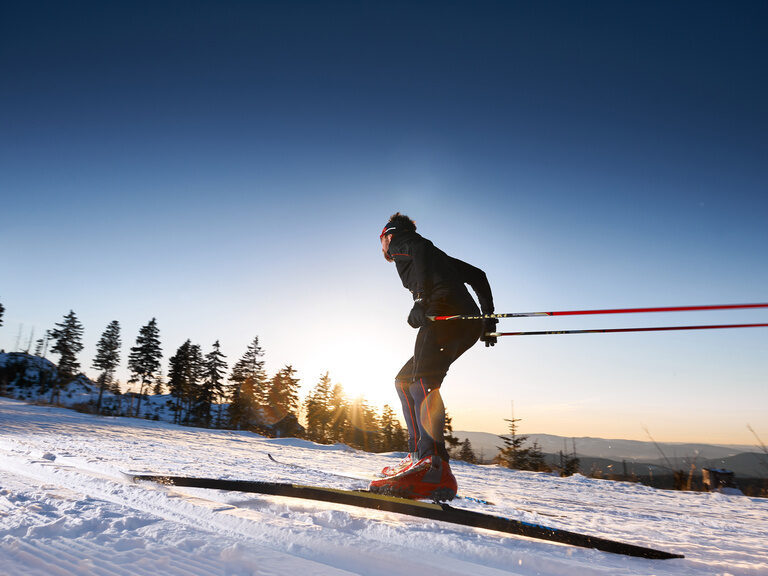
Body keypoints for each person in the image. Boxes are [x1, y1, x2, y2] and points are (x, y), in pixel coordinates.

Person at [369, 213, 496, 501]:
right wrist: (488, 321)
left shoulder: (401, 240)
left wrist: (420, 299)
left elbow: (421, 248)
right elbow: (479, 276)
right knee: (404, 381)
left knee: (420, 382)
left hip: (444, 316)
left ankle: (433, 466)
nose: (383, 249)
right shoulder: (438, 257)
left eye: (381, 242)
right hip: (466, 322)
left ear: (386, 236)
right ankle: (419, 457)